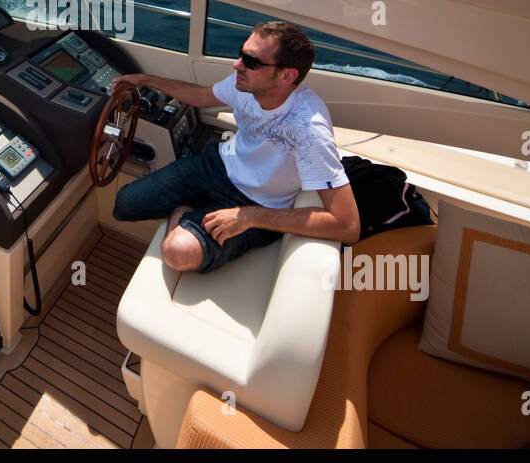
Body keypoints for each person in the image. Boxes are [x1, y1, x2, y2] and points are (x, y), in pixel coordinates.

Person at [110, 20, 359, 273]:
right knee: (125, 203)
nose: (237, 64)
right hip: (217, 164)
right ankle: (193, 213)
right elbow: (201, 96)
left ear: (288, 75)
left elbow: (347, 225)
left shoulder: (308, 129)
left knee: (177, 253)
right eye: (241, 54)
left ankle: (187, 211)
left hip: (257, 204)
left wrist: (249, 217)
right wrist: (146, 80)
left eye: (251, 61)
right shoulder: (246, 84)